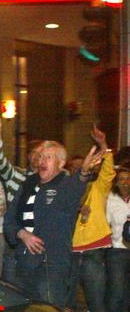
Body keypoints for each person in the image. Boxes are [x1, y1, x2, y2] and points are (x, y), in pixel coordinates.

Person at [3, 141, 102, 307]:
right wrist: (22, 234)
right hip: (23, 263)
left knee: (49, 308)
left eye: (48, 157)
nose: (41, 160)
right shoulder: (27, 185)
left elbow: (78, 183)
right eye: (40, 156)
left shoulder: (65, 185)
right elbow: (9, 220)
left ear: (61, 163)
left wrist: (84, 171)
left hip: (50, 266)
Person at [0, 113, 44, 284]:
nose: (37, 158)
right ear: (28, 156)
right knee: (13, 286)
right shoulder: (17, 175)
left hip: (41, 242)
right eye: (33, 154)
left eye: (41, 154)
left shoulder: (52, 182)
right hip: (16, 241)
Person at [66, 126, 113, 312]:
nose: (81, 169)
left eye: (84, 165)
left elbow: (108, 171)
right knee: (67, 303)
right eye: (75, 167)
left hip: (94, 250)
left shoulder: (97, 187)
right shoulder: (66, 191)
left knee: (96, 303)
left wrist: (103, 144)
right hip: (69, 252)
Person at [105, 167, 130, 312]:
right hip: (117, 251)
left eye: (128, 178)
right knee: (116, 292)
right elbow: (106, 224)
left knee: (127, 293)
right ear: (116, 182)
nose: (125, 182)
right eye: (121, 179)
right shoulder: (110, 199)